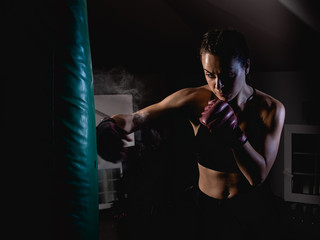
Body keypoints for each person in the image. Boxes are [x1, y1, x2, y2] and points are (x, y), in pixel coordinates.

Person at [96, 28, 285, 239]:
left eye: (227, 75)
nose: (218, 85)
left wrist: (234, 135)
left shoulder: (270, 109)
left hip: (251, 209)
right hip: (207, 208)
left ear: (247, 67)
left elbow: (258, 177)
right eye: (210, 75)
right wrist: (108, 125)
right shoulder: (194, 99)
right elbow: (138, 118)